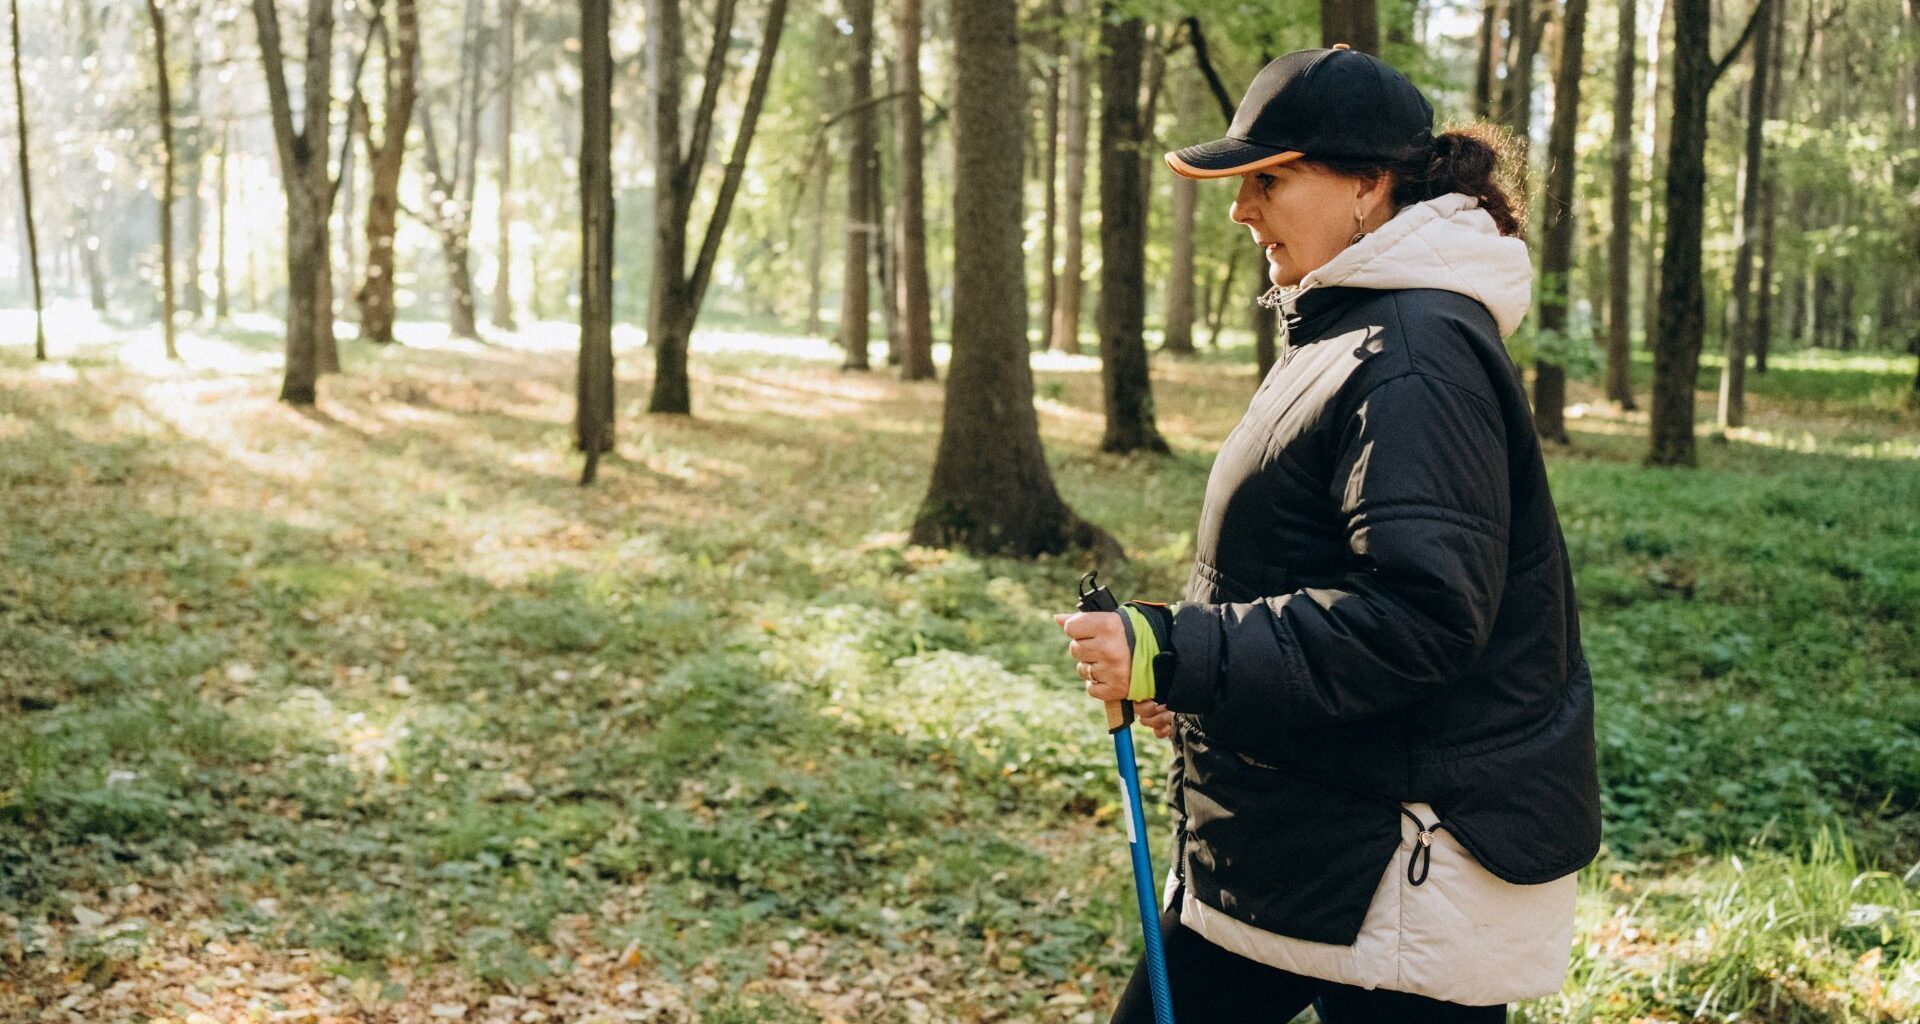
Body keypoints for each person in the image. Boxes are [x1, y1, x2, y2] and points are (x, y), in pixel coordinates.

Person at [1055, 44, 1602, 1023]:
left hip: (1397, 865)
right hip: (1295, 830)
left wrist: (1180, 648)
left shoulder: (1415, 353)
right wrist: (1203, 688)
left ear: (1366, 184)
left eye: (1268, 178)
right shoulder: (1350, 331)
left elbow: (1419, 616)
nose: (1240, 208)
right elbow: (1314, 568)